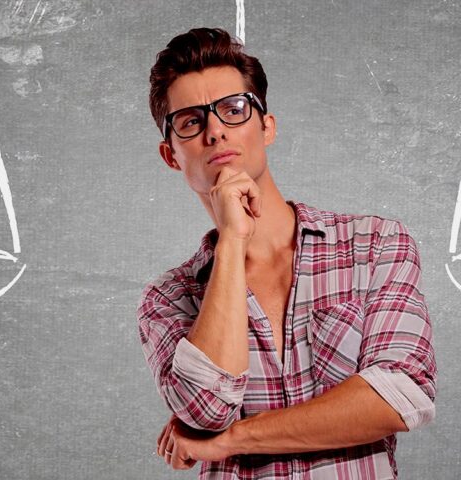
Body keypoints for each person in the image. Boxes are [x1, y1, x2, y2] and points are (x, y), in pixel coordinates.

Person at [137, 28, 436, 479]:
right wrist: (233, 242)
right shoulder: (167, 300)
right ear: (171, 154)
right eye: (191, 122)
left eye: (234, 110)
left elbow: (399, 396)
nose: (216, 130)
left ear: (267, 126)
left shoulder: (375, 246)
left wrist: (231, 441)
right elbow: (206, 407)